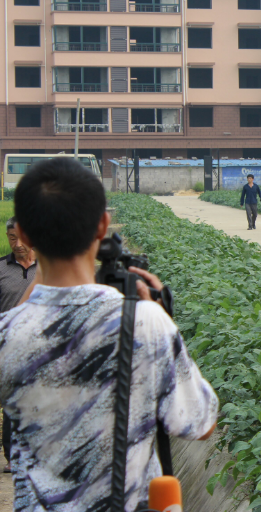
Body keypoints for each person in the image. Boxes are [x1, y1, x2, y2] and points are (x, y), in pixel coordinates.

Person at [0, 158, 219, 511]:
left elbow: (20, 319)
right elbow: (201, 423)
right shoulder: (145, 322)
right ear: (102, 225)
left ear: (22, 235)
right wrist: (162, 319)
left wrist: (43, 268)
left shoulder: (8, 334)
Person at [0, 217, 38, 472]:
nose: (18, 244)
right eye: (12, 238)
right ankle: (13, 459)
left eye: (22, 237)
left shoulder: (48, 268)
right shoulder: (1, 269)